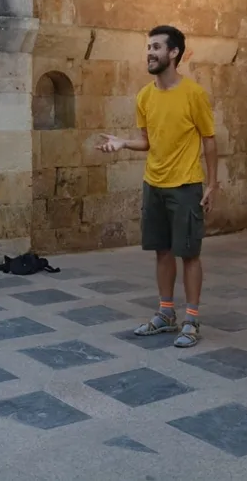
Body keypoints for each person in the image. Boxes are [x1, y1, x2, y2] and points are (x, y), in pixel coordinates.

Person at [98, 25, 217, 349]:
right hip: (154, 183)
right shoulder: (144, 96)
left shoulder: (194, 94)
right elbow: (148, 142)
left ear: (174, 53)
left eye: (156, 47)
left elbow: (209, 140)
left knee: (189, 254)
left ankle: (191, 319)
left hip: (186, 185)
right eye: (148, 47)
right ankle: (166, 314)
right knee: (161, 251)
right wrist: (122, 143)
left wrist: (213, 184)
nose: (150, 53)